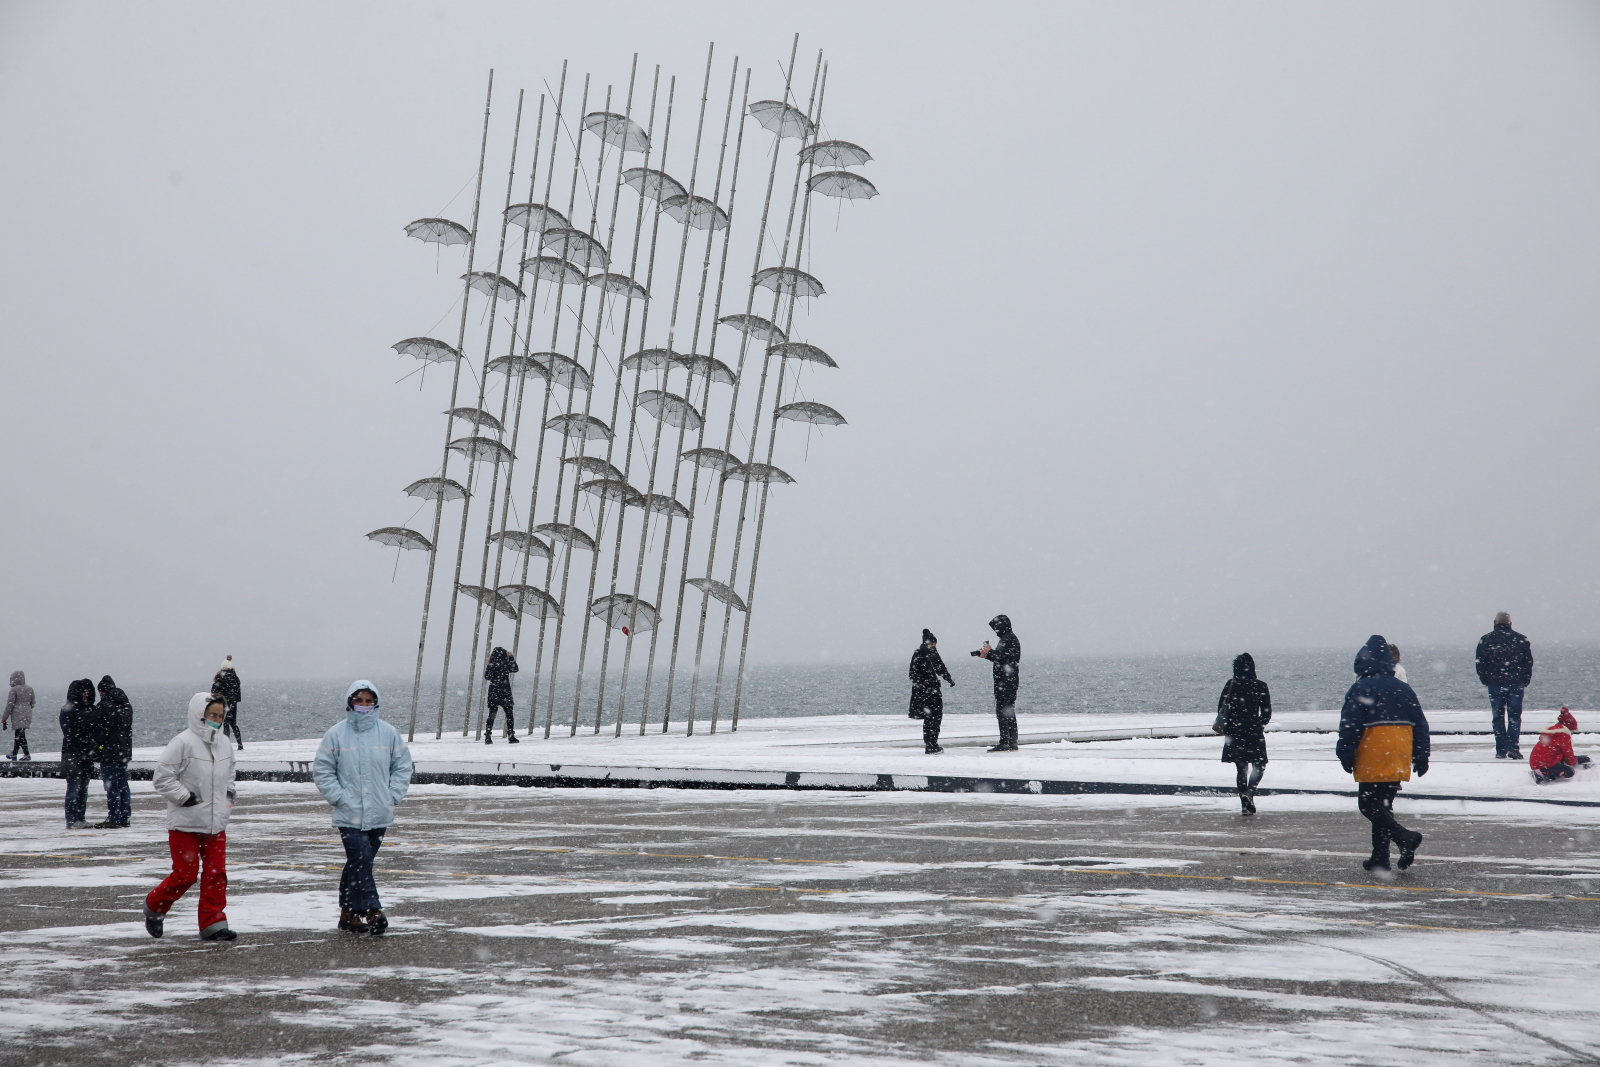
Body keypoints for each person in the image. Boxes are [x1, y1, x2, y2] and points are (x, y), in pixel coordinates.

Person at [312, 681, 413, 935]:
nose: (364, 706)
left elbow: (402, 766)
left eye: (369, 701)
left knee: (358, 864)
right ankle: (372, 910)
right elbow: (323, 770)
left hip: (379, 812)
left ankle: (348, 914)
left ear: (375, 703)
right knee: (361, 859)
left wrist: (392, 795)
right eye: (360, 701)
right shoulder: (336, 734)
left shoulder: (389, 733)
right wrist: (339, 798)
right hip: (349, 813)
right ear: (350, 702)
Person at [144, 693, 237, 941]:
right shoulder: (182, 743)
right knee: (185, 875)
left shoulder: (225, 743)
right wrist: (185, 797)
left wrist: (227, 799)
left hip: (216, 823)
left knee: (216, 873)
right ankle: (155, 906)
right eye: (212, 715)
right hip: (185, 823)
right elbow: (162, 778)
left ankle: (213, 922)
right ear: (199, 715)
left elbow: (231, 773)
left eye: (220, 715)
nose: (217, 720)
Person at [1336, 636, 1430, 873]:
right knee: (1383, 805)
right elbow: (1420, 724)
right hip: (1398, 753)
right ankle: (1380, 856)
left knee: (1368, 805)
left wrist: (1345, 754)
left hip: (1374, 752)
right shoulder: (1404, 688)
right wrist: (1421, 755)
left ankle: (1404, 837)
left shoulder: (1361, 688)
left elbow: (1350, 726)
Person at [1216, 653, 1272, 815]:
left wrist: (1232, 725)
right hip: (1254, 732)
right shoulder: (1261, 686)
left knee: (1241, 769)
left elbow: (1221, 709)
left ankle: (1244, 805)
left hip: (1235, 732)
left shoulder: (1230, 685)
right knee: (1259, 765)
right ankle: (1250, 791)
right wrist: (1258, 725)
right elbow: (1267, 714)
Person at [1476, 612, 1532, 760]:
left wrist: (1485, 679)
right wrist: (1525, 679)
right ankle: (1513, 747)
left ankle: (1500, 749)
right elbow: (1528, 662)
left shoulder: (1486, 640)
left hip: (1495, 684)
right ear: (1510, 624)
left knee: (1498, 716)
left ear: (1494, 622)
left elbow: (1480, 662)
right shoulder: (1521, 639)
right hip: (1516, 683)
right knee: (1514, 716)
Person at [973, 614, 1021, 752]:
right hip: (1007, 680)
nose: (996, 631)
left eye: (996, 628)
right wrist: (987, 655)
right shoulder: (1007, 639)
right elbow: (1002, 659)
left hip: (1006, 681)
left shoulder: (1009, 639)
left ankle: (1006, 742)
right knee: (1008, 710)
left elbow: (1004, 658)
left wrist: (991, 652)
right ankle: (1011, 742)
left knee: (1003, 711)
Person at [93, 676, 134, 828]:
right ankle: (125, 817)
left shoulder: (105, 705)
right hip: (124, 751)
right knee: (123, 784)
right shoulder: (125, 704)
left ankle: (114, 818)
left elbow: (101, 731)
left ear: (102, 691)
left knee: (111, 786)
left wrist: (99, 745)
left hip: (109, 752)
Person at [908, 629, 955, 754]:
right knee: (931, 718)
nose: (933, 646)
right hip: (925, 693)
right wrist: (925, 684)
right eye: (931, 644)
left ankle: (932, 744)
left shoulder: (933, 653)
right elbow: (913, 674)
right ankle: (930, 745)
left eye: (935, 644)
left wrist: (947, 677)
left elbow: (940, 666)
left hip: (933, 690)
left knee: (935, 717)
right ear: (925, 643)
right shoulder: (919, 654)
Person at [59, 680, 98, 830]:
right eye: (85, 693)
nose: (86, 696)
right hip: (73, 753)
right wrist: (87, 739)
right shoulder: (68, 710)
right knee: (74, 788)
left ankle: (80, 818)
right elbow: (70, 732)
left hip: (85, 754)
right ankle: (71, 819)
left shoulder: (88, 710)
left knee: (83, 788)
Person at [1529, 707, 1594, 784]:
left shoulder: (1554, 733)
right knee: (1569, 772)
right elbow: (1569, 758)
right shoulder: (1563, 736)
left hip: (1538, 762)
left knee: (1572, 761)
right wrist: (1577, 761)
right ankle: (1542, 774)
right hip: (1545, 763)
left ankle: (1546, 772)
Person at [482, 646, 519, 744]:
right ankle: (511, 735)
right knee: (509, 714)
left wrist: (493, 669)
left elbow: (487, 676)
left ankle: (488, 736)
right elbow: (515, 669)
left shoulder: (491, 665)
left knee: (492, 714)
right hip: (505, 690)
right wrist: (510, 658)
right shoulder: (506, 664)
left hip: (494, 690)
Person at [212, 655, 243, 750]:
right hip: (233, 703)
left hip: (223, 703)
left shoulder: (220, 677)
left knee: (224, 724)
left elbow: (214, 691)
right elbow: (238, 692)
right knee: (233, 723)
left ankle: (226, 745)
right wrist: (236, 699)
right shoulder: (235, 678)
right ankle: (240, 744)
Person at [3, 670, 34, 761]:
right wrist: (26, 709)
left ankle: (26, 754)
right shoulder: (30, 689)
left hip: (17, 714)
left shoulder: (14, 690)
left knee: (20, 735)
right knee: (20, 733)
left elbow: (10, 705)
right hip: (27, 713)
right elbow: (33, 703)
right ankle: (14, 753)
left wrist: (4, 718)